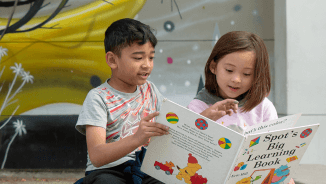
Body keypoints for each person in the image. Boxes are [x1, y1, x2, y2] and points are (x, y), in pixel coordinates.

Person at [74, 18, 169, 184]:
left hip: (145, 168)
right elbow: (97, 156)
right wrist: (136, 139)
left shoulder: (150, 90)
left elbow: (170, 125)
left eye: (151, 58)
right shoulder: (98, 97)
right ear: (112, 60)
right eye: (138, 58)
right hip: (107, 171)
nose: (147, 65)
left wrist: (206, 117)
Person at [188, 31, 277, 131]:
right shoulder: (198, 107)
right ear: (213, 67)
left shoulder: (263, 108)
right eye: (229, 70)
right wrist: (203, 119)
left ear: (257, 75)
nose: (236, 80)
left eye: (247, 74)